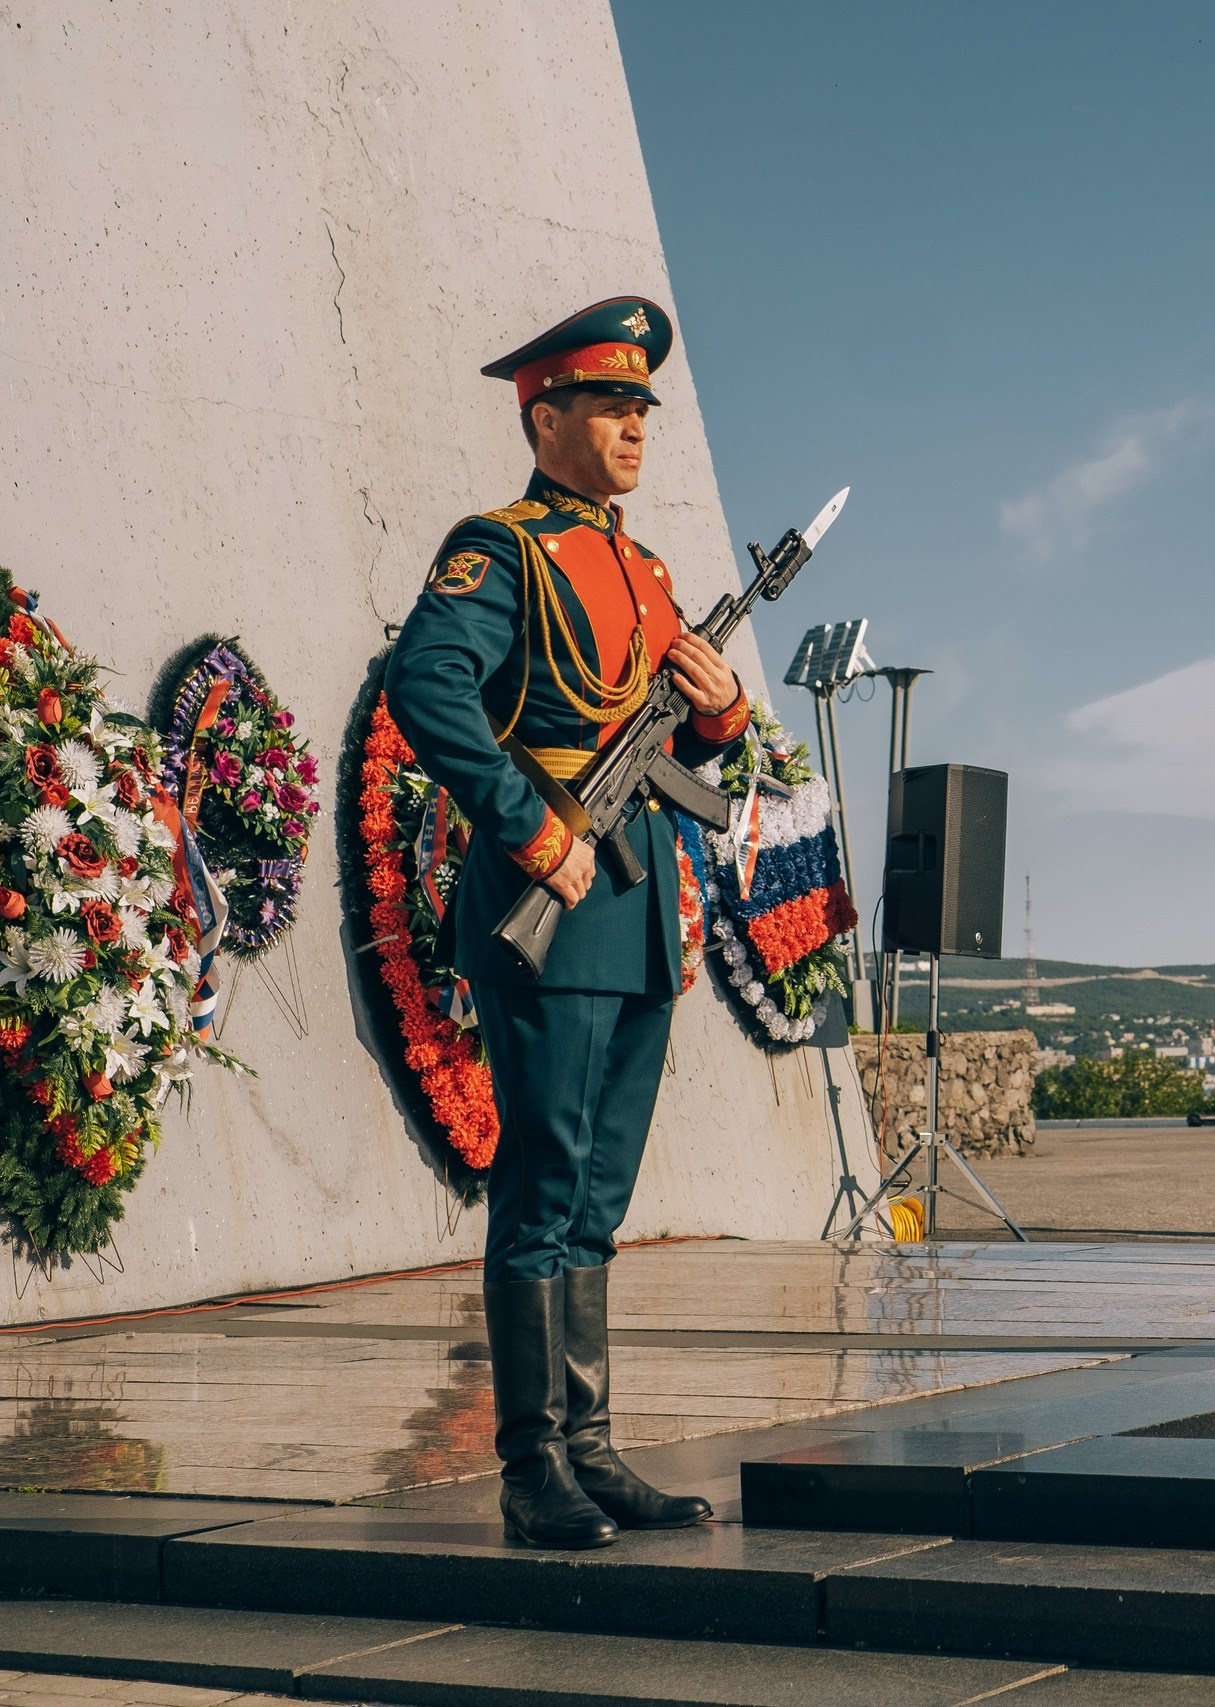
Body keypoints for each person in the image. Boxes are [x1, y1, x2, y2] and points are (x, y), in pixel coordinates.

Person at [385, 296, 748, 1549]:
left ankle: (590, 1450)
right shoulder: (501, 550)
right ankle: (531, 1463)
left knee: (596, 1197)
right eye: (610, 402)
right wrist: (522, 820)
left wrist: (718, 716)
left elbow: (668, 740)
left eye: (643, 404)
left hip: (639, 906)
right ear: (545, 416)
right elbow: (424, 681)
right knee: (541, 1187)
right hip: (553, 886)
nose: (637, 423)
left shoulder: (643, 568)